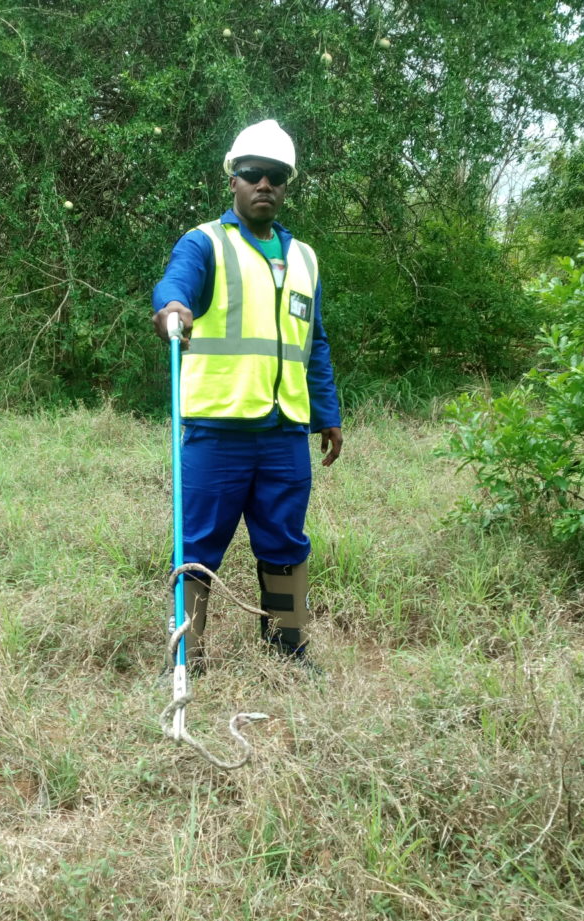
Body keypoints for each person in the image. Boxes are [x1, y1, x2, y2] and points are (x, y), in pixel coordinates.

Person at [152, 119, 342, 674]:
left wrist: (326, 414)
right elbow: (175, 284)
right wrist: (173, 310)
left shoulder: (305, 257)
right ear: (232, 180)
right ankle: (187, 652)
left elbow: (316, 343)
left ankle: (286, 647)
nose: (265, 184)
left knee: (286, 543)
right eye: (253, 174)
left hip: (285, 433)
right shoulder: (205, 242)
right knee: (197, 547)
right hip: (218, 431)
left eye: (276, 176)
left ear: (286, 185)